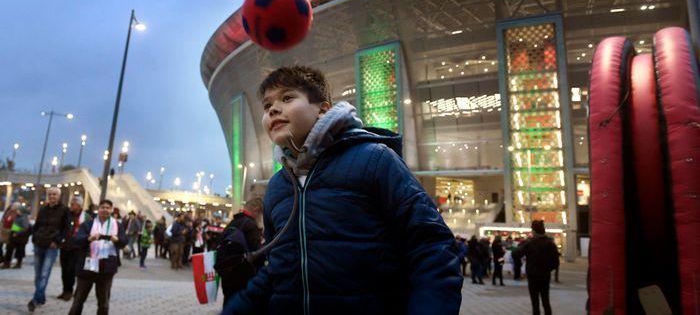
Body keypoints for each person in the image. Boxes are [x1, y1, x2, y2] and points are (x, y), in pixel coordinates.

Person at [223, 66, 462, 314]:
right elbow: (278, 270)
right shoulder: (277, 187)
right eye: (266, 105)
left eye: (287, 98)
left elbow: (432, 248)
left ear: (323, 110)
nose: (273, 109)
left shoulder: (375, 160)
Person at [68, 199, 127, 315]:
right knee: (78, 300)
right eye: (102, 207)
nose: (105, 209)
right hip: (87, 267)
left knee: (103, 302)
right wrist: (89, 238)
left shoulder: (117, 225)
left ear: (111, 210)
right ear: (98, 209)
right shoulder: (88, 224)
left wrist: (117, 240)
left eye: (107, 208)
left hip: (106, 268)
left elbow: (124, 242)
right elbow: (76, 239)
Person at [28, 187, 70, 312]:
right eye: (50, 194)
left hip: (51, 246)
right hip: (39, 244)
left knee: (45, 274)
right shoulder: (43, 209)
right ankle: (41, 298)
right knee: (37, 275)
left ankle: (34, 301)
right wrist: (34, 238)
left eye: (54, 194)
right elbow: (36, 226)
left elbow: (66, 229)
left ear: (59, 196)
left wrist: (56, 241)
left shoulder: (64, 210)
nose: (52, 196)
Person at [219, 197, 264, 307]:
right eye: (262, 214)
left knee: (229, 304)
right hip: (243, 277)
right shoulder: (250, 225)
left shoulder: (232, 223)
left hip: (226, 274)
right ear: (257, 210)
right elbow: (257, 255)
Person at [513, 220, 560, 315]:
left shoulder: (529, 243)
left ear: (533, 231)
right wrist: (547, 269)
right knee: (546, 301)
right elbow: (556, 262)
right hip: (545, 275)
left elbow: (516, 254)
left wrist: (521, 244)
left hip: (533, 275)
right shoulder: (550, 243)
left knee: (535, 303)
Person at [58, 196, 92, 301]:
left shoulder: (86, 217)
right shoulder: (67, 215)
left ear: (79, 206)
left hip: (77, 249)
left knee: (71, 270)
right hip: (65, 247)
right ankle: (65, 290)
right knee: (64, 271)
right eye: (71, 204)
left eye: (73, 204)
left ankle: (69, 291)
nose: (71, 206)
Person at [2, 204, 31, 269]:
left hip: (20, 237)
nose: (17, 211)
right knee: (9, 249)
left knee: (19, 251)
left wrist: (17, 233)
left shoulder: (24, 218)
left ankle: (18, 264)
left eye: (18, 210)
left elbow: (25, 228)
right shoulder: (17, 217)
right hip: (14, 235)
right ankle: (7, 263)